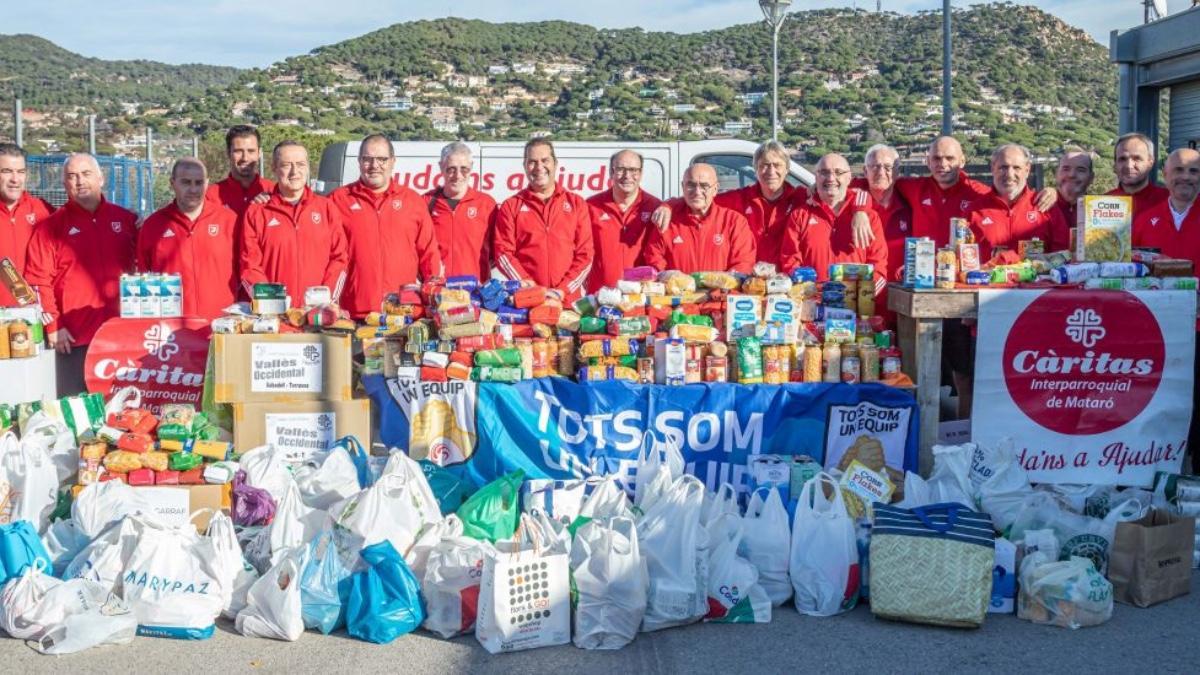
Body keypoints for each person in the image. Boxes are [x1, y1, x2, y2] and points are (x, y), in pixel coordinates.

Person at [25, 153, 137, 394]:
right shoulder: (50, 228)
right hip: (74, 338)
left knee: (124, 410)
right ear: (64, 183)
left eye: (86, 174)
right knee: (76, 411)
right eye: (72, 176)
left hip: (122, 335)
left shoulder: (127, 220)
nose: (80, 181)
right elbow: (37, 281)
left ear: (101, 178)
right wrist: (54, 325)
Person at [1131, 147, 1200, 472]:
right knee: (1160, 402)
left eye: (1194, 171)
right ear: (1166, 174)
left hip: (1198, 330)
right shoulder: (1146, 219)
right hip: (1156, 331)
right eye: (1180, 170)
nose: (1186, 177)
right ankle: (1156, 471)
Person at [330, 134, 443, 319]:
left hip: (403, 313)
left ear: (392, 161)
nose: (375, 165)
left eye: (382, 159)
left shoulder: (412, 201)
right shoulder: (337, 200)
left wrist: (434, 297)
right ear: (359, 161)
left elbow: (429, 255)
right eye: (368, 159)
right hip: (353, 313)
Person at [240, 141, 348, 308]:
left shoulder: (326, 208)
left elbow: (339, 258)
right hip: (275, 319)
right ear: (274, 168)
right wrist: (272, 304)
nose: (294, 171)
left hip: (318, 315)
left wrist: (325, 300)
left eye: (300, 164)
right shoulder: (257, 212)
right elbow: (250, 266)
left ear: (308, 167)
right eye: (286, 165)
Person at [493, 139, 593, 302]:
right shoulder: (511, 206)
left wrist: (562, 290)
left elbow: (586, 255)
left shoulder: (576, 204)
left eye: (545, 160)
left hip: (567, 303)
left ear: (555, 163)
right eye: (532, 162)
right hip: (527, 303)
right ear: (525, 166)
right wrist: (530, 287)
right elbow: (503, 253)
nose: (539, 167)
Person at [136, 158, 238, 319]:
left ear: (207, 184)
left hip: (221, 324)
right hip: (172, 330)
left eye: (198, 183)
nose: (193, 189)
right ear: (172, 183)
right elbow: (144, 275)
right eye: (185, 182)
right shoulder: (153, 225)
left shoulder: (229, 221)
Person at [780, 153, 887, 289]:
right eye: (824, 172)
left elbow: (879, 266)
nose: (831, 178)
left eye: (838, 172)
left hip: (856, 304)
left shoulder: (869, 218)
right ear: (816, 177)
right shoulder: (800, 215)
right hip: (813, 304)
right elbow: (790, 261)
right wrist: (808, 293)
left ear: (849, 178)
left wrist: (863, 297)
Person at [642, 163, 756, 274]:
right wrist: (671, 279)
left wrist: (722, 288)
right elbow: (653, 256)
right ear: (683, 187)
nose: (697, 192)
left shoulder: (734, 222)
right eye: (691, 185)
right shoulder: (668, 221)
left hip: (721, 292)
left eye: (704, 186)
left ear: (715, 189)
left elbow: (743, 262)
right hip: (678, 292)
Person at [967, 144, 1069, 260]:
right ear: (993, 168)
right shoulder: (973, 212)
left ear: (1027, 169)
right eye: (1003, 167)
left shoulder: (1046, 207)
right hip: (989, 278)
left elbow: (1063, 256)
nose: (1009, 174)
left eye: (1016, 168)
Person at [586, 149, 661, 291]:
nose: (627, 176)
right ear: (611, 172)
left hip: (640, 297)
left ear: (640, 173)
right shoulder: (591, 206)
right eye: (621, 169)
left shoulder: (654, 207)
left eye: (633, 170)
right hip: (600, 297)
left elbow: (659, 255)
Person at [424, 142, 496, 281]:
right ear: (441, 167)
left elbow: (496, 253)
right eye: (451, 169)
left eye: (464, 169)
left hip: (475, 293)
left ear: (471, 168)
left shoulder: (487, 204)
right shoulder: (426, 203)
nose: (457, 175)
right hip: (438, 291)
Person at [0, 143, 53, 306]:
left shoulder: (43, 210)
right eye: (6, 171)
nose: (15, 179)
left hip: (32, 319)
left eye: (21, 172)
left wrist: (130, 220)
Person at [860, 144, 913, 284]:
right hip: (863, 291)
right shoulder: (850, 202)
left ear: (897, 172)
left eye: (888, 168)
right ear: (865, 171)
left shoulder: (910, 204)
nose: (881, 173)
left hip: (901, 291)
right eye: (875, 167)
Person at [207, 125, 275, 218]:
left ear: (259, 153)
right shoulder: (211, 196)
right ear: (228, 153)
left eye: (251, 151)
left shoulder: (273, 192)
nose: (245, 158)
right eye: (238, 151)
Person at [1108, 132, 1169, 216]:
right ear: (1115, 164)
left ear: (1150, 162)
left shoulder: (1169, 201)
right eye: (1122, 159)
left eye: (1137, 158)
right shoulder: (1103, 203)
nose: (1129, 166)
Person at [1052, 149, 1094, 228]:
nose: (1072, 175)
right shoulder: (1041, 206)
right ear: (1056, 174)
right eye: (1066, 169)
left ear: (1091, 177)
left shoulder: (1100, 210)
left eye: (1080, 170)